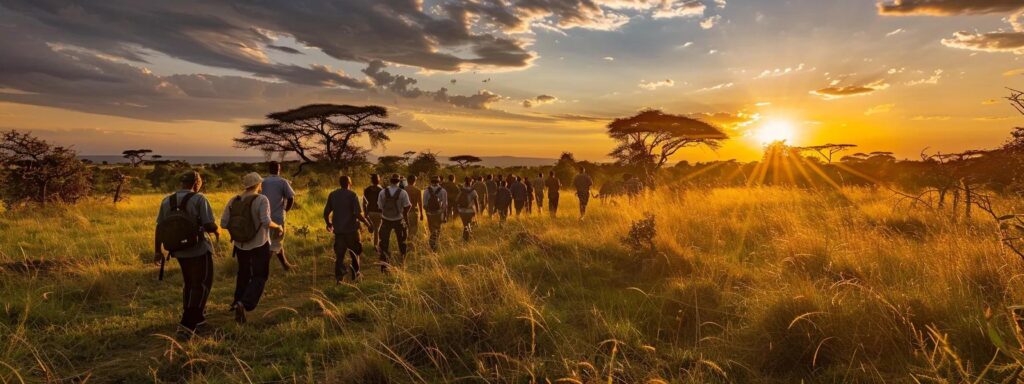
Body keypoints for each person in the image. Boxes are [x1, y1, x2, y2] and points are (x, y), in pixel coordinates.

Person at [154, 170, 219, 333]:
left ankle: (198, 320)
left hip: (178, 250)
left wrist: (157, 251)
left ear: (182, 183)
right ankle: (187, 324)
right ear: (197, 183)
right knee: (202, 284)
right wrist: (216, 229)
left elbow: (160, 227)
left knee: (189, 284)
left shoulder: (167, 200)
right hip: (198, 249)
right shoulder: (199, 199)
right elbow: (209, 224)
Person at [220, 172, 282, 324]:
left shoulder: (234, 200)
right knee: (260, 276)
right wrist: (278, 226)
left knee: (243, 274)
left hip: (240, 245)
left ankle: (237, 302)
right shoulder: (261, 199)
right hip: (259, 244)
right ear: (258, 184)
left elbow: (223, 223)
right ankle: (245, 303)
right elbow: (266, 221)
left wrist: (238, 232)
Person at [324, 175, 370, 283]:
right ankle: (355, 275)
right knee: (355, 253)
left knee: (339, 256)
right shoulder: (352, 195)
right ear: (350, 183)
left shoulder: (333, 195)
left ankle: (339, 278)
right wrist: (367, 223)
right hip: (352, 231)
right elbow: (357, 214)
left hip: (339, 232)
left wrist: (329, 223)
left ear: (340, 183)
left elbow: (326, 213)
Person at [260, 161, 296, 271]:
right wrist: (286, 210)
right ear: (279, 169)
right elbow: (291, 198)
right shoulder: (283, 182)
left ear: (269, 169)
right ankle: (262, 269)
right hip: (278, 217)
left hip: (264, 217)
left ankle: (285, 265)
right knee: (275, 242)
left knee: (271, 242)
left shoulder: (262, 182)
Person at [377, 174, 412, 272]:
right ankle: (402, 264)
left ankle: (384, 267)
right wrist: (404, 214)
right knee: (402, 242)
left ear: (390, 181)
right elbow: (408, 206)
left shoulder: (382, 192)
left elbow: (379, 207)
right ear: (398, 182)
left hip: (385, 220)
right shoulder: (403, 193)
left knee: (384, 244)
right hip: (398, 220)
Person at [423, 176, 448, 251]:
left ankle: (432, 245)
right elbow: (445, 205)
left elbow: (424, 204)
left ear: (431, 181)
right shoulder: (443, 191)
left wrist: (428, 212)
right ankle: (434, 245)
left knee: (432, 229)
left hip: (429, 213)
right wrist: (444, 215)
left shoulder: (426, 190)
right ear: (439, 181)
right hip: (439, 213)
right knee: (438, 229)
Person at [455, 177, 481, 241]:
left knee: (465, 224)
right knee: (469, 223)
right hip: (470, 211)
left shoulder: (460, 190)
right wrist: (478, 211)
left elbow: (456, 200)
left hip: (462, 211)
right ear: (471, 182)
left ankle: (465, 237)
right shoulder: (474, 191)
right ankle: (468, 237)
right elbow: (476, 202)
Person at [363, 174, 384, 249]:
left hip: (370, 212)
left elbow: (364, 203)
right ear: (379, 180)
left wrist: (365, 213)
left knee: (372, 228)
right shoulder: (381, 190)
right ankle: (375, 245)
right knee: (377, 230)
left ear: (371, 180)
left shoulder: (367, 189)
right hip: (379, 212)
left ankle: (370, 242)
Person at [405, 175, 423, 241]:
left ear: (407, 181)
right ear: (415, 181)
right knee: (413, 229)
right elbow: (420, 203)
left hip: (404, 212)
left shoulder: (403, 190)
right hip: (413, 212)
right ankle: (411, 244)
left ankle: (406, 243)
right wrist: (421, 214)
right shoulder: (417, 191)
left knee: (405, 229)